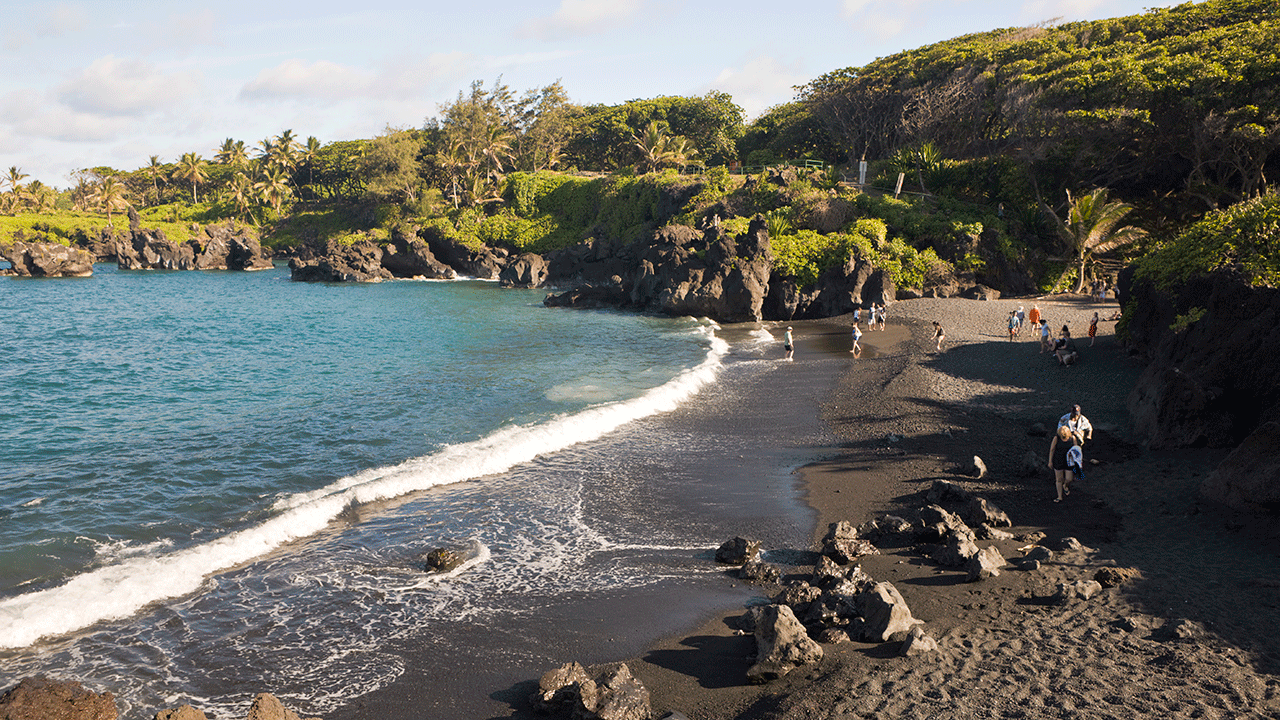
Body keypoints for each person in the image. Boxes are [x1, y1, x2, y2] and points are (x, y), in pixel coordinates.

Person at [1048, 424, 1079, 502]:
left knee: (1069, 478)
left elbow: (1076, 450)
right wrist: (1050, 461)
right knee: (1059, 479)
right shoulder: (1056, 438)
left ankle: (1065, 485)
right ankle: (1059, 496)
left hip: (1069, 461)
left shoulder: (1072, 438)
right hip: (1058, 460)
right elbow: (1052, 449)